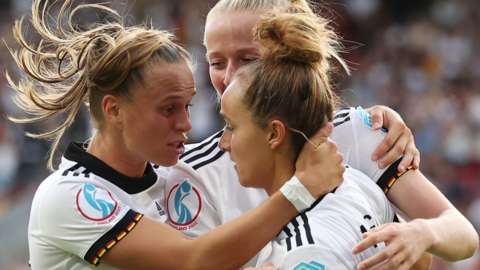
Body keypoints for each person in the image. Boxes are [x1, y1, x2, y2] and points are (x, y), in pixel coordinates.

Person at [8, 0, 345, 269]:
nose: (186, 123)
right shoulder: (70, 195)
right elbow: (192, 260)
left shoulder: (173, 177)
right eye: (169, 109)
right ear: (114, 110)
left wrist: (376, 120)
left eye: (188, 107)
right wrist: (299, 191)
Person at [166, 0, 478, 268]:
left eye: (248, 60)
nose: (229, 75)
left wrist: (421, 234)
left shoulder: (358, 133)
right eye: (216, 62)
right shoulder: (194, 174)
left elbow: (461, 235)